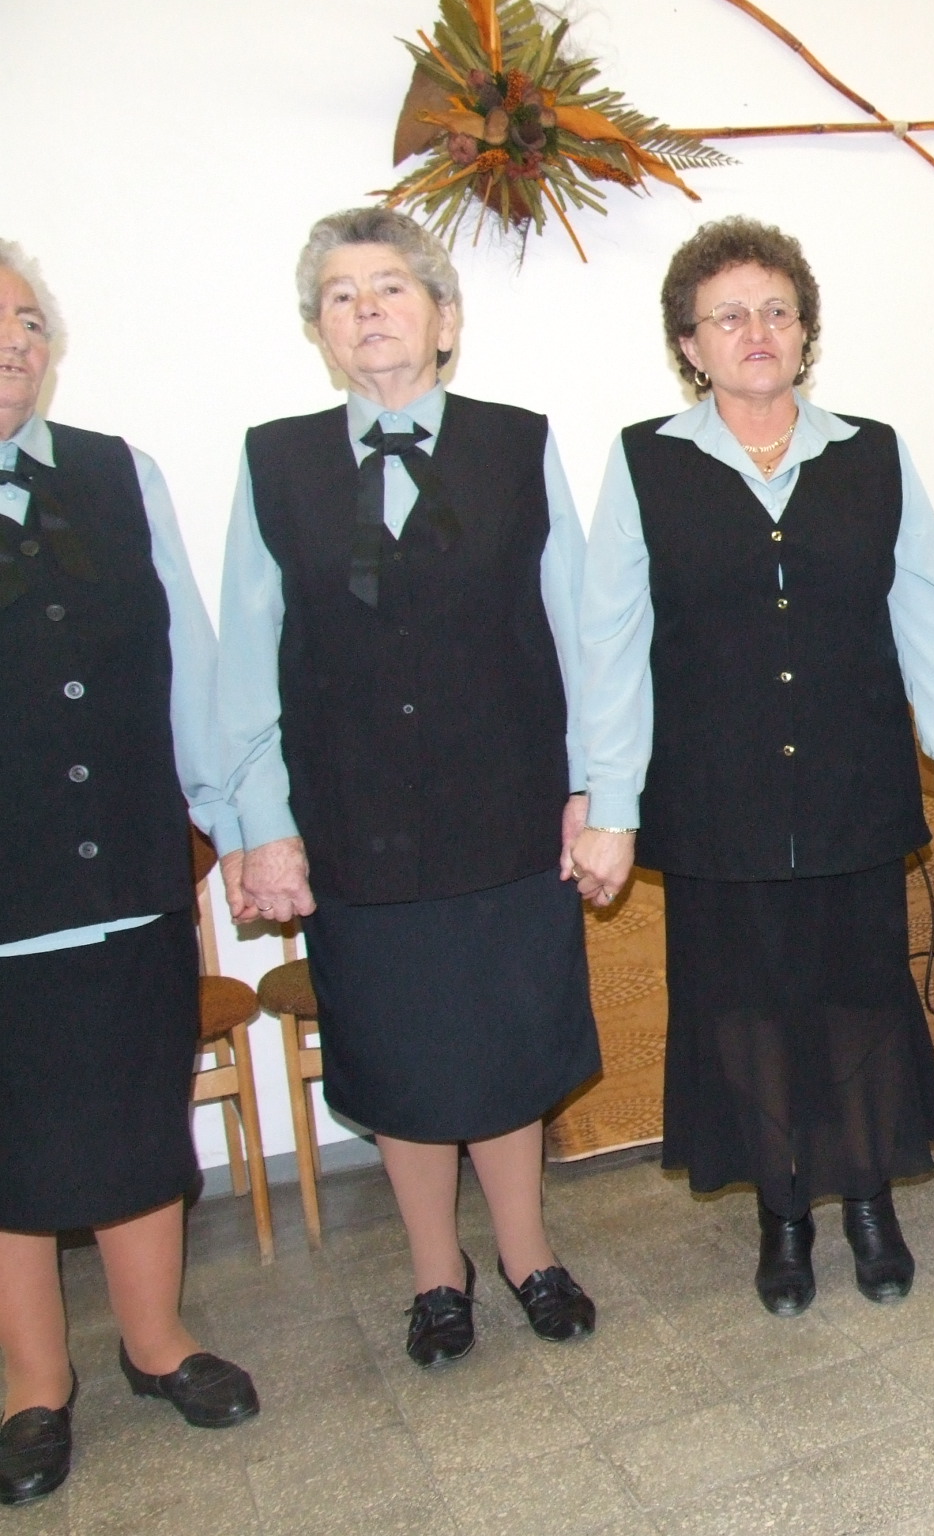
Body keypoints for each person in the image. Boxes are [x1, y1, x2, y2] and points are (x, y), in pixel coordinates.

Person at [570, 216, 934, 1318]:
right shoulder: (644, 462)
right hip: (714, 798)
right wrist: (609, 803)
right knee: (745, 1009)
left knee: (860, 997)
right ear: (689, 344)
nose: (755, 330)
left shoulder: (873, 453)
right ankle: (783, 1212)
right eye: (728, 316)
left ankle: (868, 1199)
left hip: (853, 785)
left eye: (775, 310)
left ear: (806, 332)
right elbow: (611, 642)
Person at [220, 208, 601, 1368]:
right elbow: (246, 658)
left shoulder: (517, 443)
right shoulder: (275, 461)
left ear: (444, 318)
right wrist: (262, 824)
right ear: (319, 331)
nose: (367, 310)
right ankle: (438, 1273)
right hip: (353, 821)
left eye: (390, 286)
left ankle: (528, 1253)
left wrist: (593, 788)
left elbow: (576, 629)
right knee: (399, 1053)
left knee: (507, 1042)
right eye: (340, 296)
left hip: (508, 806)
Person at [0, 241, 258, 1506]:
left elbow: (189, 664)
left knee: (137, 1117)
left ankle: (156, 1343)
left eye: (28, 322)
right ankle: (32, 1385)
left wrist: (231, 822)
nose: (14, 345)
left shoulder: (118, 473)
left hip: (129, 873)